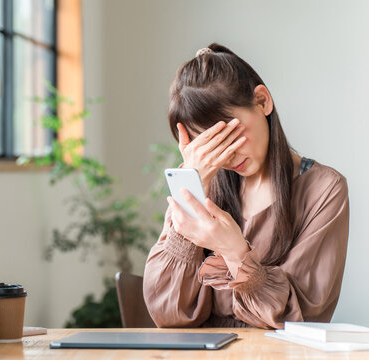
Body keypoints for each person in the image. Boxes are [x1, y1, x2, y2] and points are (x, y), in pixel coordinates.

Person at [143, 43, 350, 329]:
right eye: (211, 146)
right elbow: (168, 313)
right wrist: (189, 191)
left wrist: (235, 251)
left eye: (228, 136)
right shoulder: (205, 188)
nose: (226, 156)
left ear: (262, 101)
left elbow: (302, 318)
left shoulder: (323, 190)